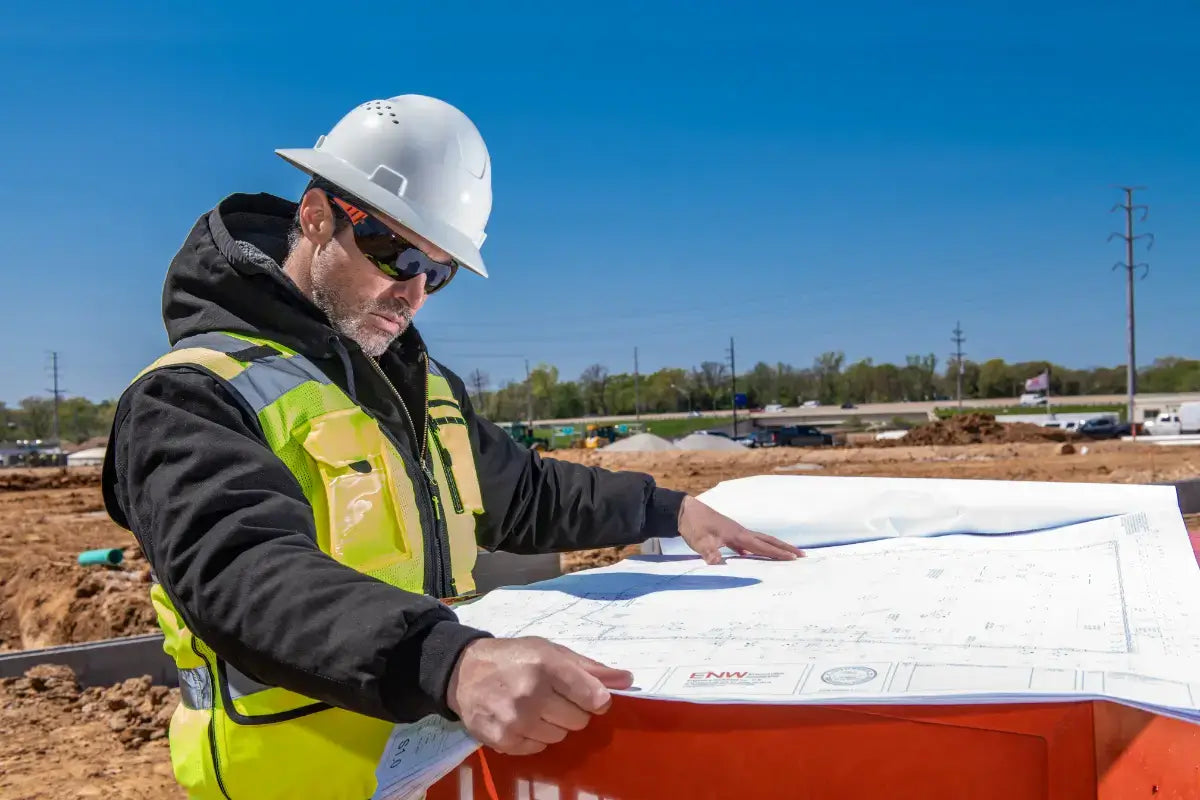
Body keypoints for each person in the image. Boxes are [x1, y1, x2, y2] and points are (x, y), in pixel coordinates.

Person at [101, 94, 804, 799]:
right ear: (314, 216)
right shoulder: (192, 396)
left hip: (434, 766)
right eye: (394, 252)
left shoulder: (416, 385)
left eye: (437, 271)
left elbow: (524, 495)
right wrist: (451, 662)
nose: (412, 292)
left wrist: (670, 511)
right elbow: (245, 572)